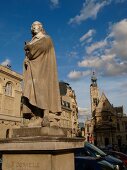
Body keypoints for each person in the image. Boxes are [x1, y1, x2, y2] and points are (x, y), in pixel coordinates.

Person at [22, 21, 61, 127]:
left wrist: (30, 48)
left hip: (43, 69)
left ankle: (46, 116)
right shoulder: (33, 40)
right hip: (32, 69)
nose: (32, 27)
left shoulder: (46, 38)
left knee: (42, 90)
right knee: (32, 91)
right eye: (31, 26)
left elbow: (42, 48)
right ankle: (38, 116)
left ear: (40, 27)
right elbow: (30, 54)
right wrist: (27, 58)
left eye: (34, 26)